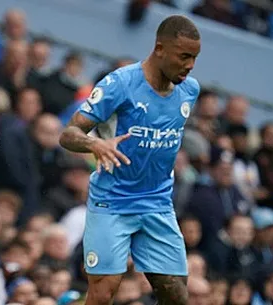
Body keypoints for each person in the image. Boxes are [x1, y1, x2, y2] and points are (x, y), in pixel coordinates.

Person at [59, 15, 201, 305]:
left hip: (158, 203)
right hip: (112, 201)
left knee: (176, 295)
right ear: (160, 48)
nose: (190, 65)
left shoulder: (189, 90)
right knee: (102, 294)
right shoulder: (120, 84)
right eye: (184, 56)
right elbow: (68, 134)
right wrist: (95, 143)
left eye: (195, 58)